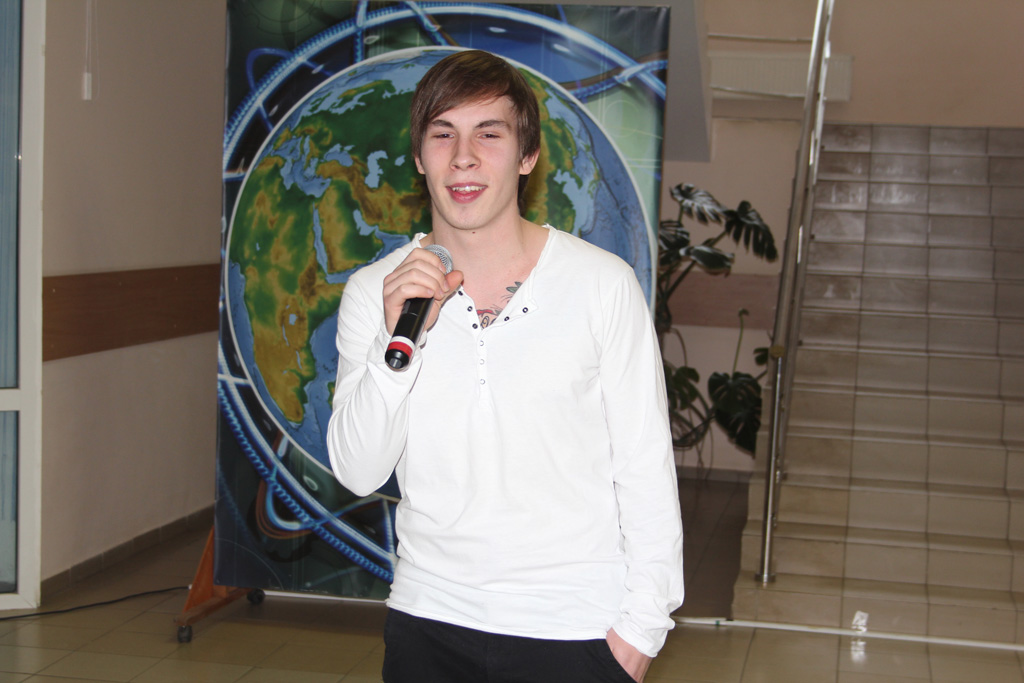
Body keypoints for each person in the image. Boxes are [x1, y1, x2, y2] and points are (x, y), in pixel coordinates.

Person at [326, 49, 683, 683]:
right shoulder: (375, 292)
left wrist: (642, 630)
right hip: (427, 618)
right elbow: (358, 471)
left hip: (574, 625)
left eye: (488, 135)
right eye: (443, 134)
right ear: (419, 158)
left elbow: (644, 462)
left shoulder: (602, 284)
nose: (463, 157)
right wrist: (394, 342)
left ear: (527, 156)